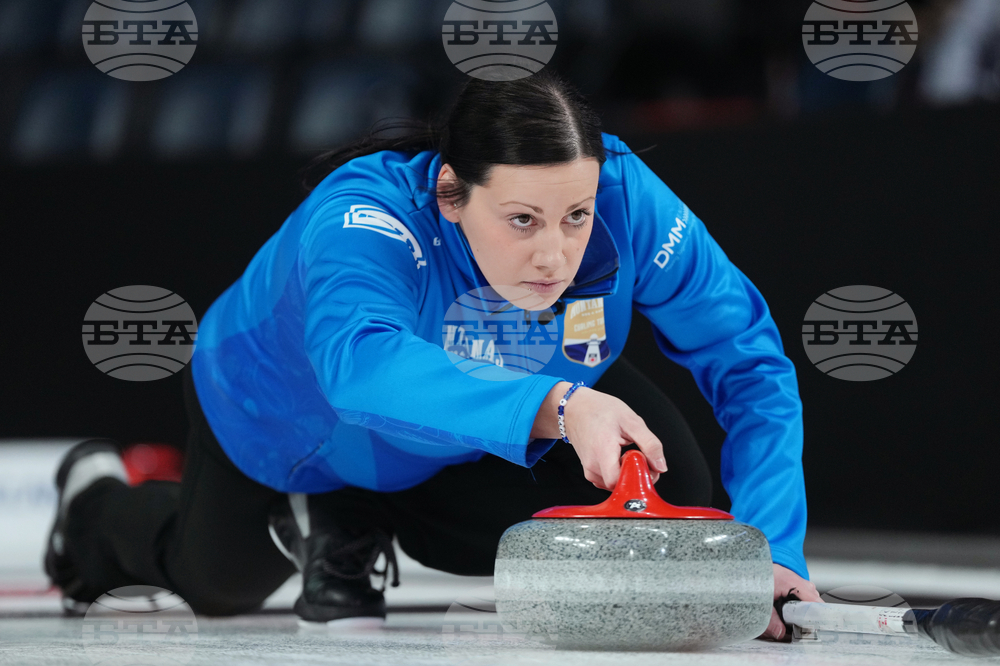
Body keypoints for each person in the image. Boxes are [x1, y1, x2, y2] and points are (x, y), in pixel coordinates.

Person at [45, 70, 819, 641]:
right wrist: (560, 404)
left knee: (676, 503)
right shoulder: (365, 218)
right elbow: (360, 366)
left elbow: (749, 362)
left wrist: (776, 549)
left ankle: (367, 515)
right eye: (522, 220)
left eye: (575, 217)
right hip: (289, 414)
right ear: (451, 193)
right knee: (216, 581)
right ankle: (93, 510)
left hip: (484, 404)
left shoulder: (629, 201)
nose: (555, 256)